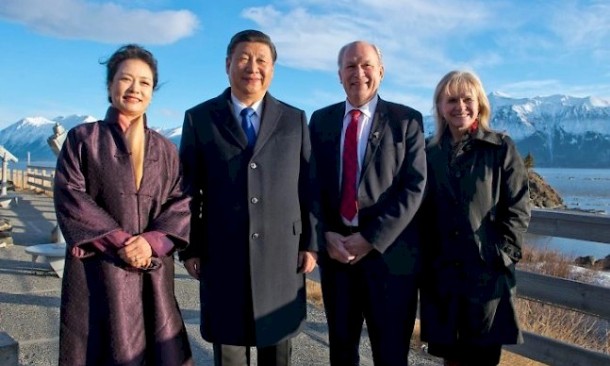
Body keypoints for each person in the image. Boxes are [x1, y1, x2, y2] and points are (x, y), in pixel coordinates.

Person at [179, 29, 318, 366]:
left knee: (277, 349)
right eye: (244, 58)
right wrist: (191, 247)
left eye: (261, 60)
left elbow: (309, 187)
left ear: (272, 68)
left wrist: (311, 243)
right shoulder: (200, 118)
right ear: (228, 64)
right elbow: (187, 189)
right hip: (222, 254)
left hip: (282, 257)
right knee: (229, 351)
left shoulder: (295, 119)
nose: (252, 67)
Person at [54, 44, 193, 366]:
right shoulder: (83, 139)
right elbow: (70, 195)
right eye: (126, 79)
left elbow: (181, 201)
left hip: (152, 270)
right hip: (99, 268)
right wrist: (120, 242)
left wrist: (151, 242)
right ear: (109, 85)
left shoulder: (165, 149)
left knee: (158, 346)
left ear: (153, 92)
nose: (135, 89)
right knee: (102, 347)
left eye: (144, 82)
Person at [309, 40, 427, 366]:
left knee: (390, 356)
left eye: (366, 65)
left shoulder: (407, 121)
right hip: (337, 260)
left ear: (381, 72)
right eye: (350, 66)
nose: (358, 73)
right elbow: (311, 186)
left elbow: (414, 188)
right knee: (342, 354)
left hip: (390, 262)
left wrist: (370, 238)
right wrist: (324, 236)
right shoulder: (321, 121)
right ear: (339, 74)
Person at [419, 70, 531, 366]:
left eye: (467, 99)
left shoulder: (500, 148)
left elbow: (518, 208)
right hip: (442, 278)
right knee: (451, 360)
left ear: (479, 103)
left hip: (486, 278)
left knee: (483, 358)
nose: (460, 106)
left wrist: (501, 254)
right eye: (451, 99)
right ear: (440, 107)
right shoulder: (428, 152)